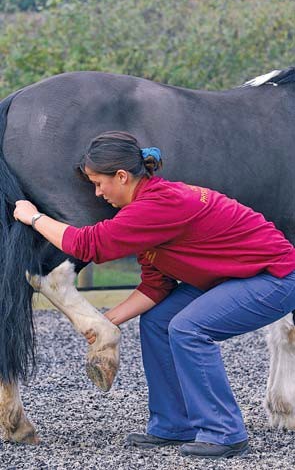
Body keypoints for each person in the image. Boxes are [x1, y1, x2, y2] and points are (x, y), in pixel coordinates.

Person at [14, 131, 295, 460]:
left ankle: (224, 431)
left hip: (273, 278)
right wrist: (104, 324)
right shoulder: (145, 210)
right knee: (158, 320)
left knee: (189, 328)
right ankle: (174, 423)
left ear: (121, 176)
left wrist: (33, 217)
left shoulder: (158, 204)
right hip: (233, 276)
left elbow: (89, 245)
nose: (97, 193)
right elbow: (156, 287)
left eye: (99, 183)